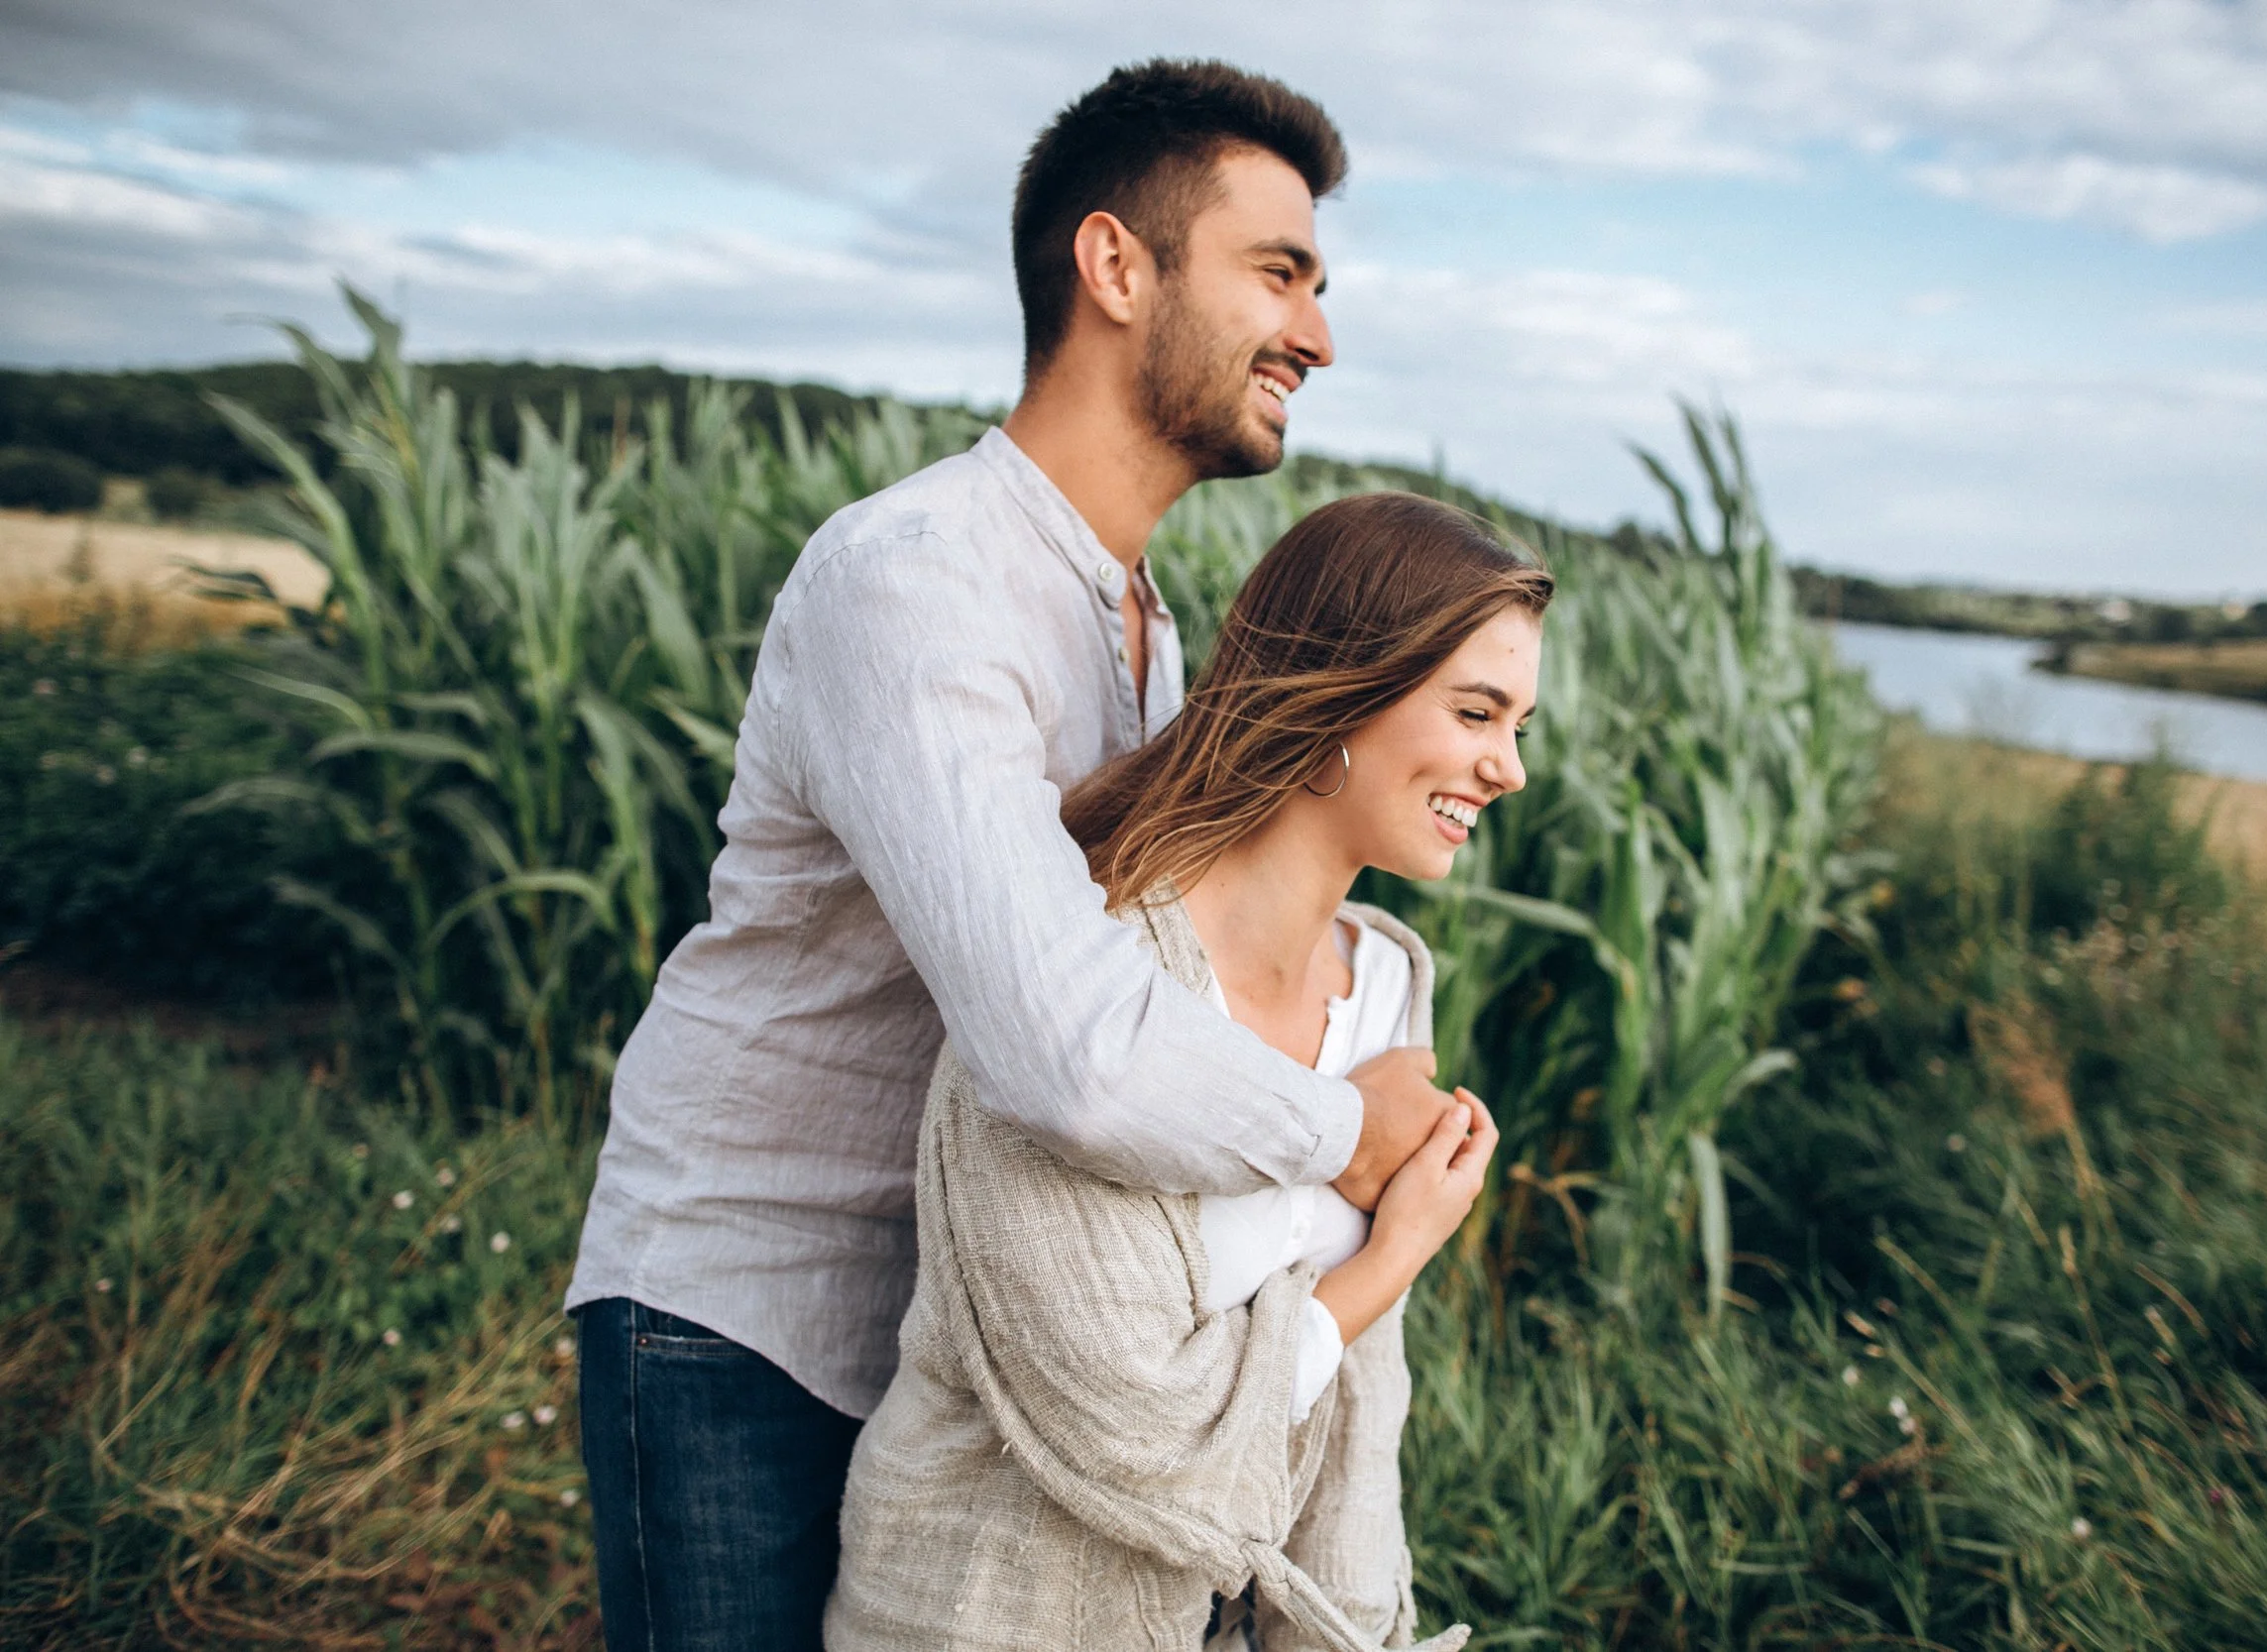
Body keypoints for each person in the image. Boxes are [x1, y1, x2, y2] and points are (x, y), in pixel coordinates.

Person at [565, 59, 1464, 1652]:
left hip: (958, 1321)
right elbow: (1067, 1044)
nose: (1317, 335)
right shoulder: (917, 581)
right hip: (744, 1307)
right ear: (1116, 265)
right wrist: (1344, 1130)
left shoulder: (1143, 631)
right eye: (1279, 273)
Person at [827, 491, 1547, 1651]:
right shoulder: (1088, 972)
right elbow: (1138, 1427)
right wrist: (1404, 1242)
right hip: (984, 1613)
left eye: (1519, 725)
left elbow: (1366, 1405)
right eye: (1477, 711)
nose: (1508, 766)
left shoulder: (1389, 984)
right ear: (1344, 692)